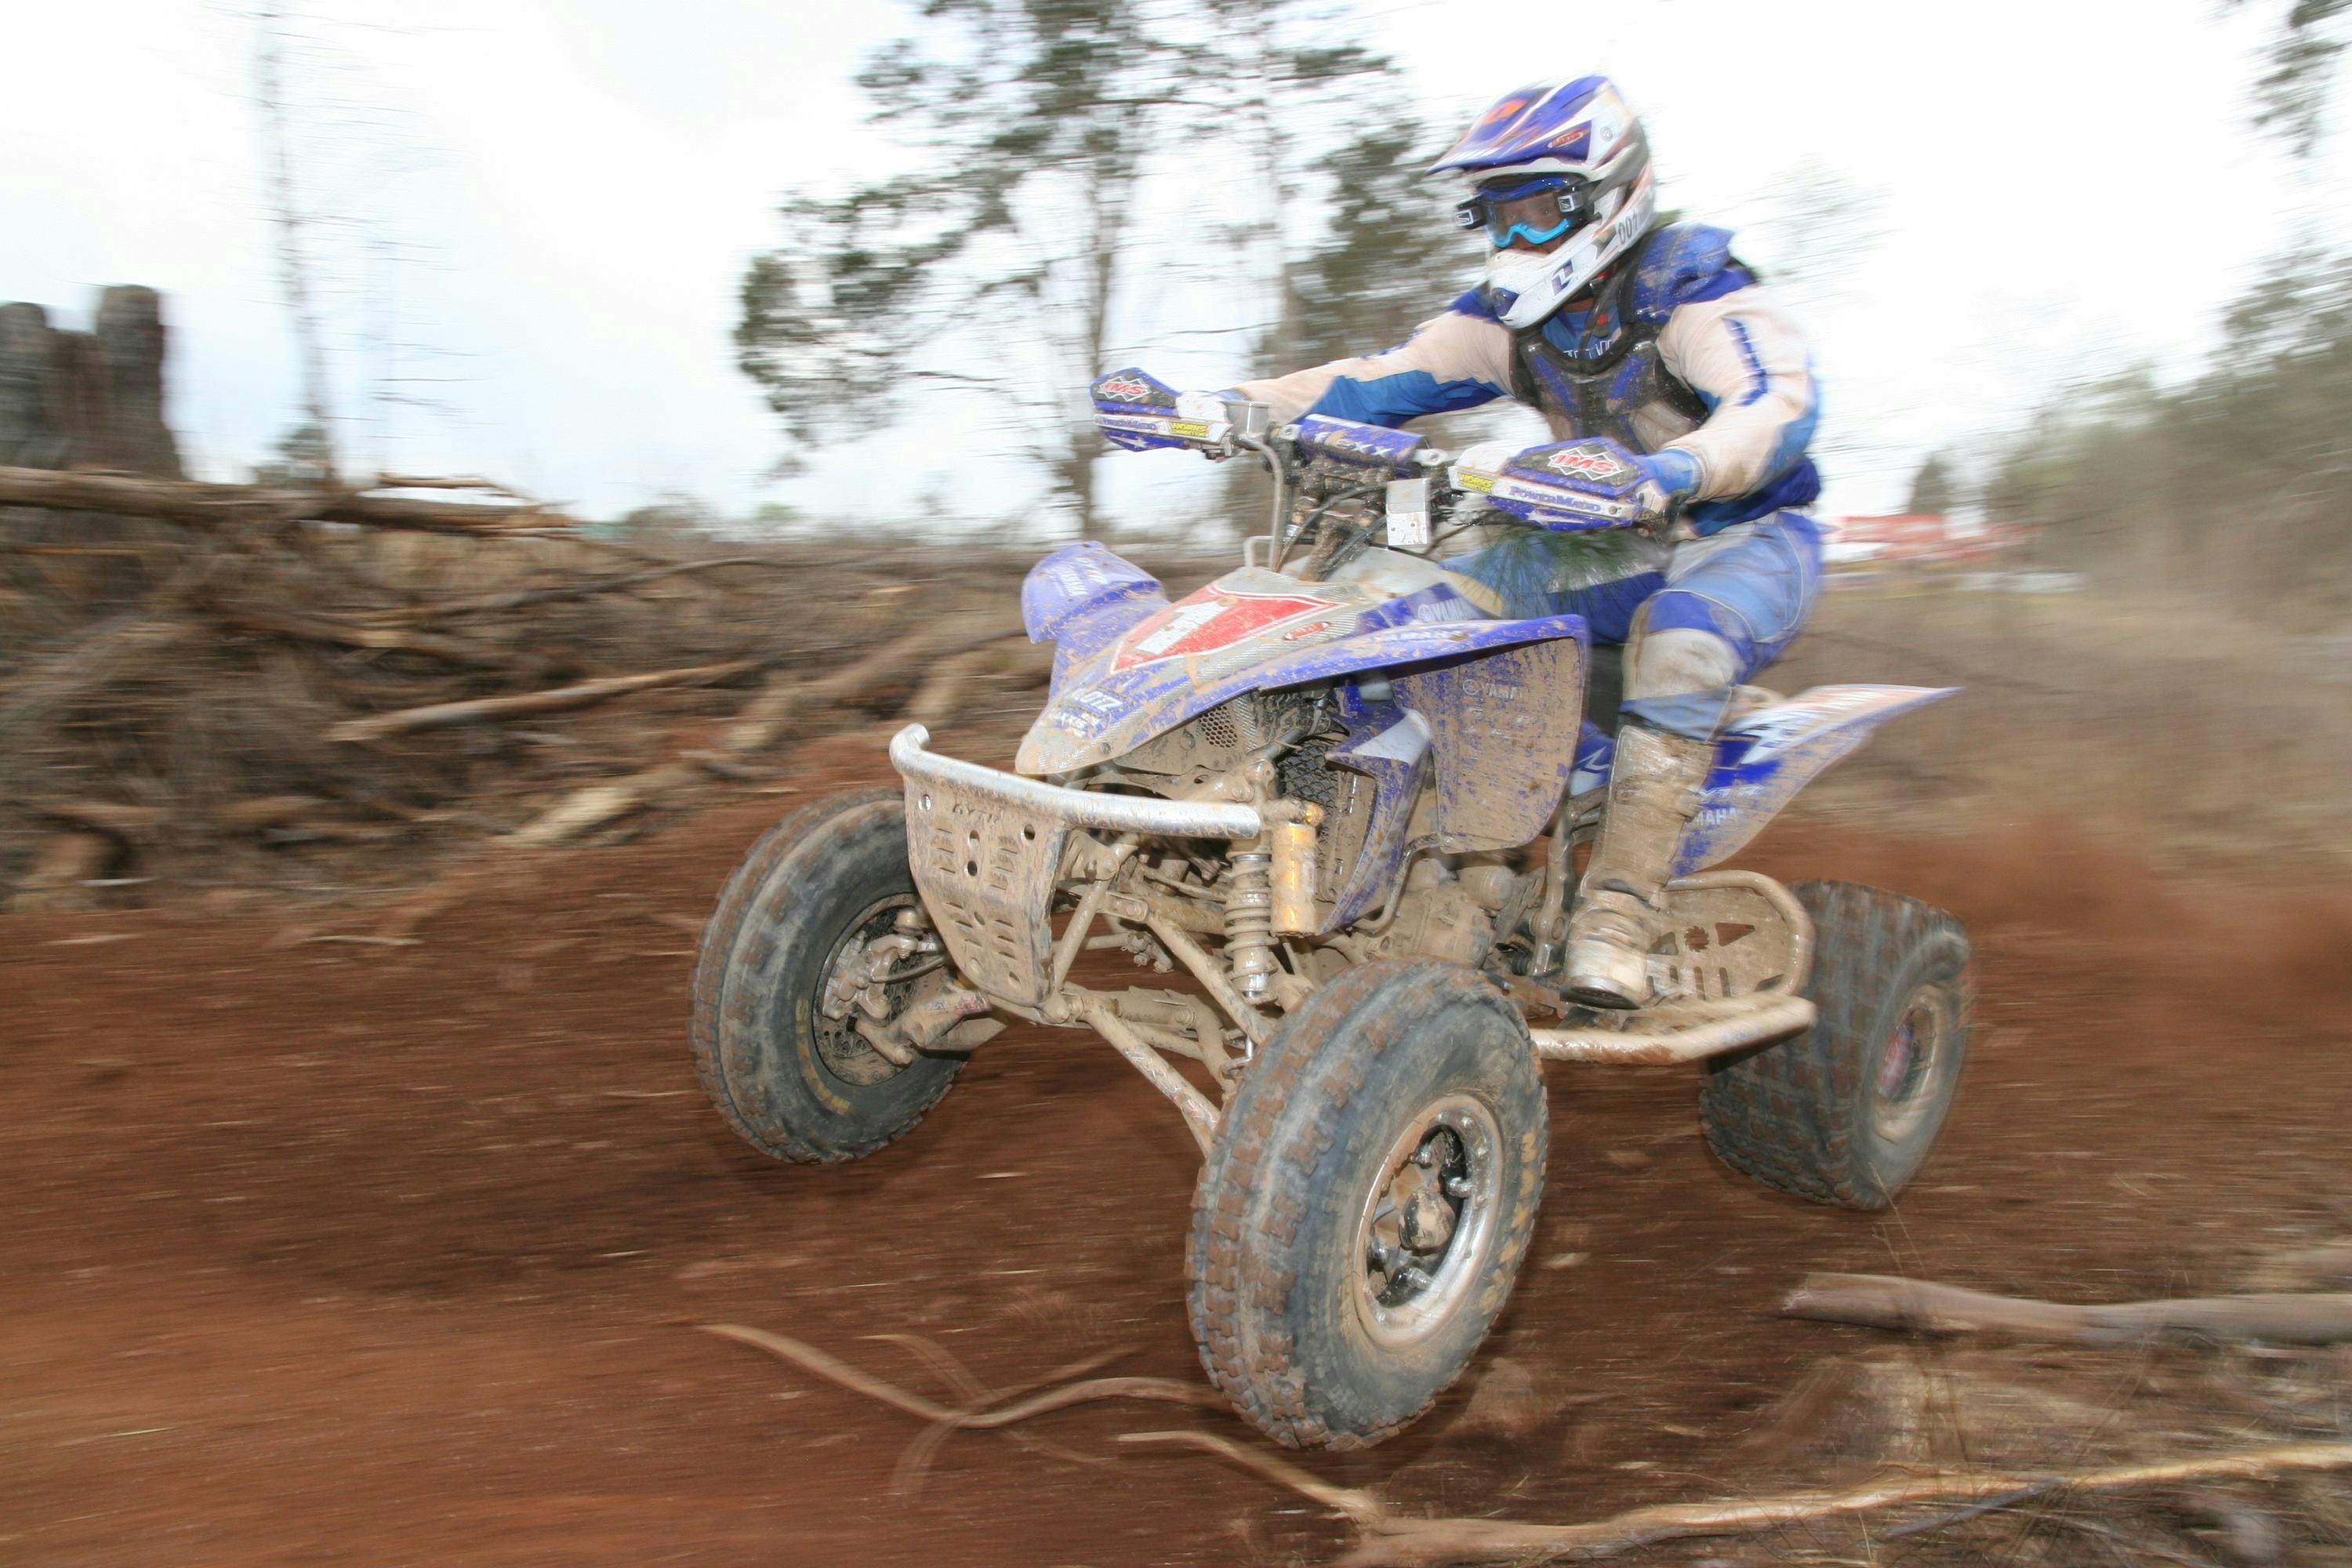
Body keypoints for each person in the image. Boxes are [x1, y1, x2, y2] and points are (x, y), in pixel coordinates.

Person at [1218, 76, 1823, 1010]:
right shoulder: (1513, 321)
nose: (1516, 237)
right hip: (1602, 544)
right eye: (1497, 214)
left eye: (1540, 210)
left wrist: (1674, 468)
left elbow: (1774, 403)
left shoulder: (1694, 294)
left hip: (1741, 535)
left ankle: (1618, 912)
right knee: (1407, 606)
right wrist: (1227, 406)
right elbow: (1379, 381)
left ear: (1610, 197)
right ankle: (1416, 860)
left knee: (1685, 640)